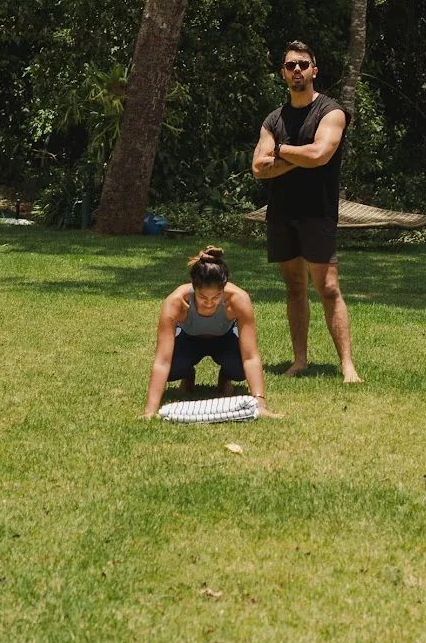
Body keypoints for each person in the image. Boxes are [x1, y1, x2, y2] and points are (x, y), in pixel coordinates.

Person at [251, 40, 361, 383]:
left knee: (328, 287)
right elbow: (257, 166)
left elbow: (320, 155)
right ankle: (300, 360)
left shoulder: (331, 112)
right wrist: (298, 157)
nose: (296, 70)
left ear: (314, 70)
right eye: (290, 66)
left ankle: (347, 367)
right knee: (294, 287)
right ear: (283, 74)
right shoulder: (274, 118)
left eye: (302, 64)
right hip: (282, 213)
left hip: (318, 212)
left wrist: (281, 152)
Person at [144, 247, 274, 418]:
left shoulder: (238, 299)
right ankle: (187, 373)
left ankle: (226, 376)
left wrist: (260, 404)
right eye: (203, 297)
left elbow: (250, 356)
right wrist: (150, 411)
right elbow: (162, 361)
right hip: (189, 339)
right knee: (172, 369)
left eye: (216, 297)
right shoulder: (176, 302)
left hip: (224, 339)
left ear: (224, 288)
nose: (209, 303)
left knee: (239, 368)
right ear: (194, 287)